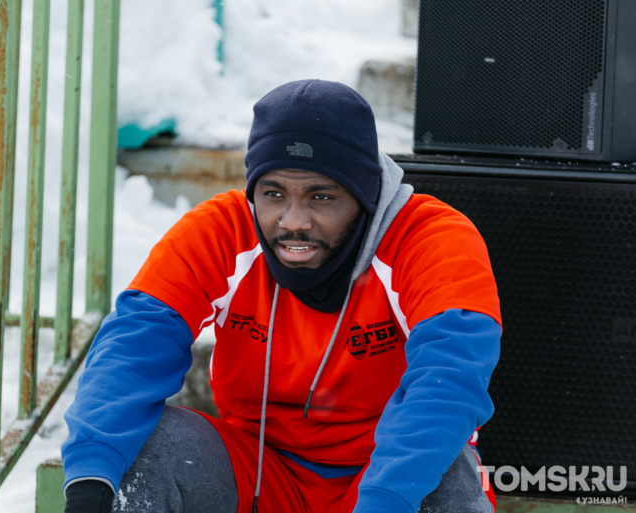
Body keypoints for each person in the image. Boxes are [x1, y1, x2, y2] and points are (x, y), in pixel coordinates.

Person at [60, 79, 502, 513]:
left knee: (444, 471)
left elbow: (449, 380)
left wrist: (383, 502)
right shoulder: (222, 230)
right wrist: (89, 477)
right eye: (274, 194)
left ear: (365, 195)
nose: (294, 221)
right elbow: (136, 340)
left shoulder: (432, 239)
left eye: (321, 196)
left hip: (388, 482)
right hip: (257, 474)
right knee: (142, 447)